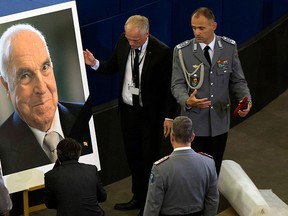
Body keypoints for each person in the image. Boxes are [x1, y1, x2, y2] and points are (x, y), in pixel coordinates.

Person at [83, 15, 177, 213]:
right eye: (128, 38)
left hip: (150, 116)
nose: (131, 43)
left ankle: (151, 204)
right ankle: (138, 197)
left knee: (149, 160)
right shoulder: (123, 41)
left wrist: (169, 116)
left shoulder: (162, 52)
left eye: (135, 40)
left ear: (146, 34)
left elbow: (169, 88)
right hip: (127, 112)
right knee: (133, 158)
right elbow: (112, 66)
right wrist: (94, 63)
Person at [0, 24, 93, 175]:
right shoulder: (3, 148)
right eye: (25, 75)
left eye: (45, 67)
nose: (42, 88)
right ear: (6, 86)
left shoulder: (86, 116)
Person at [171, 7, 252, 175]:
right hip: (193, 123)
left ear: (214, 26)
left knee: (214, 171)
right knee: (193, 173)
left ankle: (210, 201)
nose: (197, 32)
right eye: (194, 28)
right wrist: (187, 100)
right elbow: (177, 85)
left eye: (201, 28)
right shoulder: (182, 52)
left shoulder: (228, 48)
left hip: (219, 122)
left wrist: (246, 101)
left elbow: (238, 80)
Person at [143, 116, 219, 216]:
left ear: (171, 137)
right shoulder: (208, 162)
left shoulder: (160, 168)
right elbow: (212, 199)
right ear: (192, 136)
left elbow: (152, 206)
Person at [44, 137, 107, 216]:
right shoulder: (91, 169)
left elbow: (49, 204)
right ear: (79, 154)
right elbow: (102, 197)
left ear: (58, 154)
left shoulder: (51, 175)